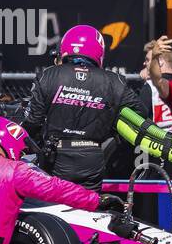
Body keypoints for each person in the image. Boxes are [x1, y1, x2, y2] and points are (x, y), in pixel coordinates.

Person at [23, 24, 142, 190]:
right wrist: (111, 123)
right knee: (88, 209)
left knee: (52, 210)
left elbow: (31, 121)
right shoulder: (115, 81)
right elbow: (140, 113)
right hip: (92, 158)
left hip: (56, 157)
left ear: (65, 49)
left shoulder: (48, 75)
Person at [140, 38, 172, 132]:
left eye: (148, 60)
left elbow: (136, 123)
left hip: (155, 144)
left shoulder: (149, 88)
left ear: (159, 61)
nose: (144, 63)